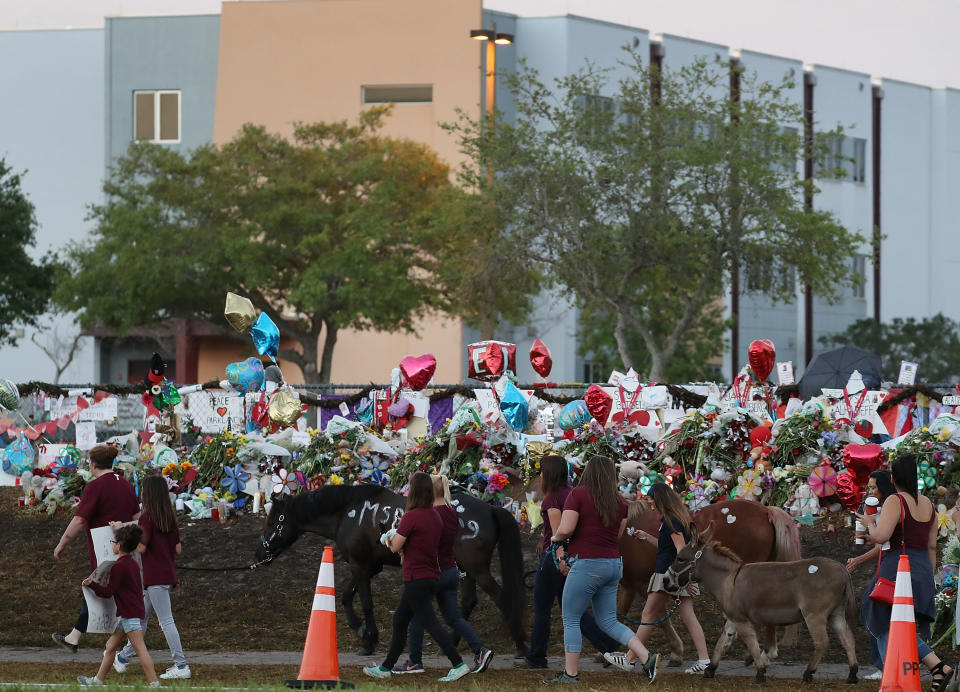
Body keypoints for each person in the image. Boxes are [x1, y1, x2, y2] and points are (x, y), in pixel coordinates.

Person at [547, 455, 660, 684]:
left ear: (588, 472)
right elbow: (617, 536)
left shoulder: (577, 495)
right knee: (609, 621)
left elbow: (566, 529)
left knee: (570, 618)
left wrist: (555, 538)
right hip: (613, 565)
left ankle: (570, 674)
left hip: (587, 563)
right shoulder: (620, 502)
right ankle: (647, 656)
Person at [362, 472, 471, 682]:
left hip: (416, 577)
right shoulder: (435, 516)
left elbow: (395, 547)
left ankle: (458, 664)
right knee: (400, 619)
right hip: (431, 574)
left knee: (430, 623)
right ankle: (386, 668)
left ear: (414, 491)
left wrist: (387, 537)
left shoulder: (412, 516)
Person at [514, 455, 620, 670]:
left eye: (542, 471)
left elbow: (557, 534)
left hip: (554, 559)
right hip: (576, 556)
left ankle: (536, 656)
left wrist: (559, 560)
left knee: (543, 608)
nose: (540, 475)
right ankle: (607, 646)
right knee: (573, 609)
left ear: (548, 473)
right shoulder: (572, 493)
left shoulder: (552, 499)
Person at [859, 455, 954, 692]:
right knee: (901, 624)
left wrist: (870, 521)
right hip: (922, 568)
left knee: (882, 621)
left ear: (893, 477)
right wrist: (928, 578)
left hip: (898, 568)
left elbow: (881, 537)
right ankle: (937, 668)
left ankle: (893, 678)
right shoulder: (929, 505)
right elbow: (932, 546)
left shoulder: (895, 500)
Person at [393, 474, 493, 675]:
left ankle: (415, 660)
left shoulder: (429, 514)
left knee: (417, 617)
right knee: (454, 618)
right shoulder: (451, 512)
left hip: (432, 571)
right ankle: (479, 650)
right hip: (450, 569)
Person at [52, 444, 140, 653]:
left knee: (99, 589)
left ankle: (121, 644)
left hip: (105, 549)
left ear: (93, 464)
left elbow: (79, 520)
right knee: (107, 591)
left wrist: (61, 543)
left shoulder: (94, 487)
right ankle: (76, 637)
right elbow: (137, 518)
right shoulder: (126, 484)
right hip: (127, 548)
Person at [621, 481, 710, 674]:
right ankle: (704, 660)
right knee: (687, 616)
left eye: (651, 500)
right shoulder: (674, 519)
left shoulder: (670, 521)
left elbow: (681, 553)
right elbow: (667, 549)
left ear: (659, 499)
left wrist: (686, 580)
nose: (649, 504)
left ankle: (630, 658)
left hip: (667, 576)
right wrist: (647, 538)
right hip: (673, 574)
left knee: (648, 615)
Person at [112, 475, 189, 680]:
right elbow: (178, 549)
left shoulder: (146, 518)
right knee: (141, 618)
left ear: (148, 494)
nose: (142, 494)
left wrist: (121, 532)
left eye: (143, 490)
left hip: (153, 577)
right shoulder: (169, 516)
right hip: (163, 575)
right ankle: (123, 658)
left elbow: (141, 548)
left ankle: (181, 665)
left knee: (166, 621)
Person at [77, 524, 159, 687]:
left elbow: (109, 592)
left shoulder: (119, 566)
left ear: (119, 545)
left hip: (130, 614)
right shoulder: (132, 563)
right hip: (129, 612)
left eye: (113, 541)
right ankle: (97, 681)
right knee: (110, 646)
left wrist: (91, 584)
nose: (112, 544)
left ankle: (154, 684)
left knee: (141, 649)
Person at [846, 469, 896, 680]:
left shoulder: (889, 508)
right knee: (872, 610)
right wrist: (870, 536)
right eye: (869, 488)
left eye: (874, 487)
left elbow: (883, 543)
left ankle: (884, 665)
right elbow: (880, 541)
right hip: (886, 564)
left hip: (890, 566)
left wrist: (858, 559)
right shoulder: (882, 507)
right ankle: (885, 664)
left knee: (871, 609)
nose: (871, 491)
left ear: (884, 488)